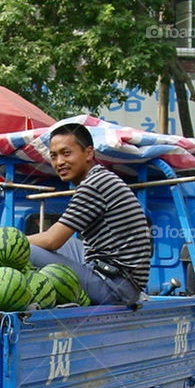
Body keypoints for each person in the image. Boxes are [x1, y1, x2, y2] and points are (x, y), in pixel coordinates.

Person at [27, 122, 151, 306]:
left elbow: (52, 240)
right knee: (67, 244)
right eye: (54, 156)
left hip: (114, 287)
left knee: (23, 250)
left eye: (66, 153)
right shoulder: (102, 177)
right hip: (121, 281)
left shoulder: (93, 185)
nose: (59, 162)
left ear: (89, 153)